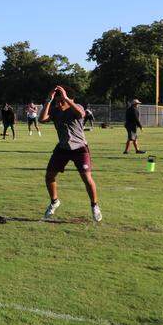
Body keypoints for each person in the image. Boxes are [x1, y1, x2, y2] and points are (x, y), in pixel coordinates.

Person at [41, 85, 102, 222]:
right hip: (62, 148)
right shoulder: (55, 110)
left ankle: (94, 205)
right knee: (49, 176)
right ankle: (54, 201)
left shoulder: (76, 107)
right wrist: (48, 100)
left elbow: (81, 114)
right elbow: (41, 119)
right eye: (57, 100)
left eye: (60, 100)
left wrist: (66, 99)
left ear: (69, 98)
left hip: (80, 148)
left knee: (87, 178)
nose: (59, 103)